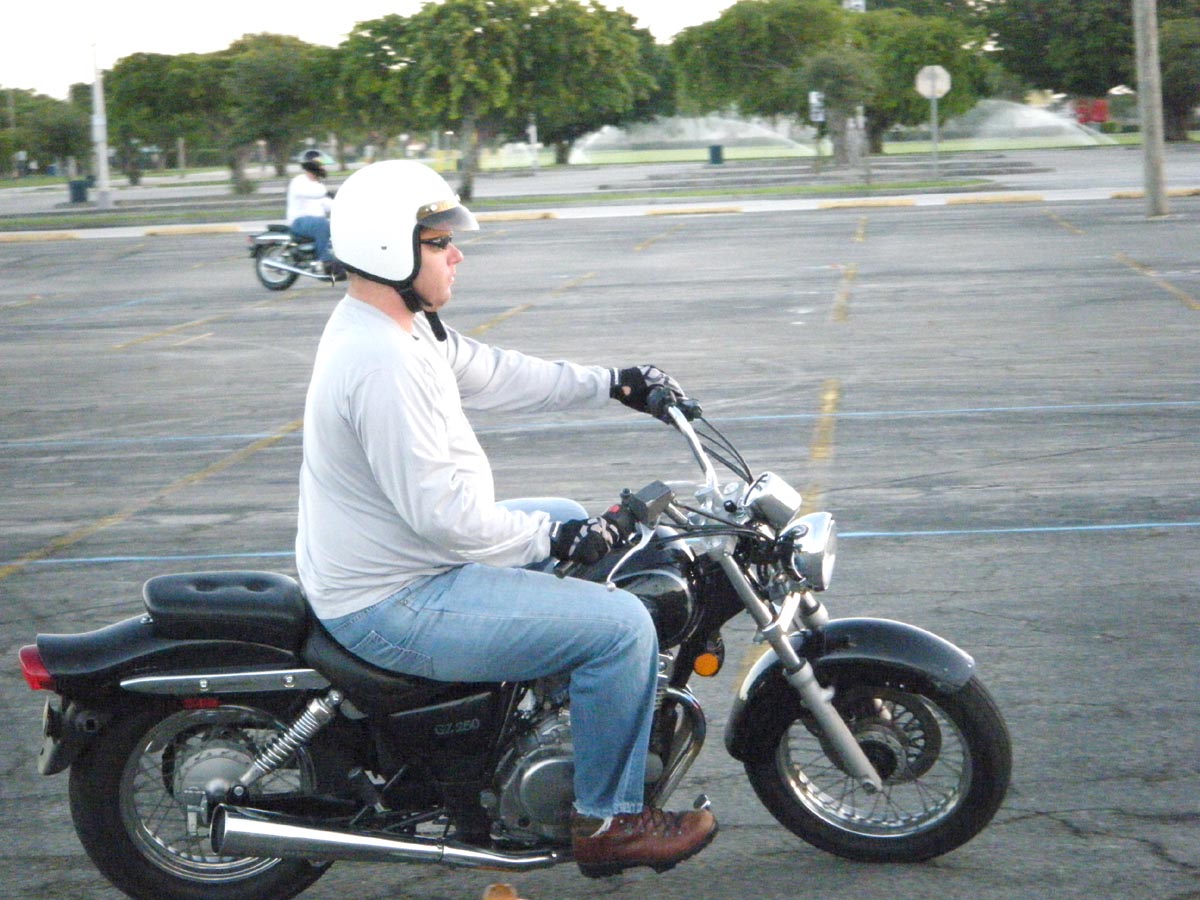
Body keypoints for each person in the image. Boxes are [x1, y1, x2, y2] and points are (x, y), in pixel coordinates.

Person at [295, 159, 717, 878]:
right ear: (388, 249)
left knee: (566, 516)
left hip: (392, 559)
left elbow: (492, 372)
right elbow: (446, 520)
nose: (456, 254)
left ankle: (550, 721)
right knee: (621, 627)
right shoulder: (381, 361)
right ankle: (610, 820)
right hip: (394, 598)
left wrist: (613, 384)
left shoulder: (400, 327)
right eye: (438, 242)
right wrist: (554, 539)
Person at [286, 150, 335, 273]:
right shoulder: (299, 181)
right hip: (299, 222)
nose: (323, 168)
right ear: (312, 165)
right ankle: (324, 261)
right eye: (321, 165)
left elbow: (326, 203)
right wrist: (326, 192)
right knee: (322, 224)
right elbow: (313, 193)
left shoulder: (318, 184)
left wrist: (343, 206)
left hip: (315, 222)